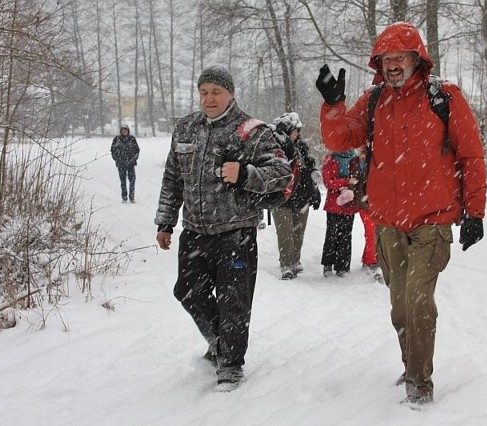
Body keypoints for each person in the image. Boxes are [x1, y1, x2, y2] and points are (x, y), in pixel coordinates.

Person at [316, 22, 487, 406]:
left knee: (417, 299)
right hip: (388, 222)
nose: (393, 65)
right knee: (399, 306)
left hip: (434, 219)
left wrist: (474, 212)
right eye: (387, 59)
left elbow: (471, 156)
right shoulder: (376, 101)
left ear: (417, 59)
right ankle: (412, 364)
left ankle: (419, 385)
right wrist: (333, 106)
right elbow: (339, 139)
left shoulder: (445, 98)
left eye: (400, 57)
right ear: (379, 64)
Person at [154, 65, 292, 391]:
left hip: (236, 232)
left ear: (230, 94)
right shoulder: (186, 128)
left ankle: (230, 363)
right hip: (195, 231)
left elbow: (282, 173)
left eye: (216, 92)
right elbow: (173, 179)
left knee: (233, 302)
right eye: (204, 92)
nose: (209, 98)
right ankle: (218, 340)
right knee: (188, 293)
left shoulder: (252, 131)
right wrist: (165, 221)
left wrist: (244, 174)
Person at [270, 112, 321, 280]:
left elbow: (308, 172)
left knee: (298, 233)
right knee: (285, 234)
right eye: (294, 130)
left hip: (301, 198)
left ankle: (295, 260)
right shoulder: (275, 148)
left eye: (298, 131)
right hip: (281, 198)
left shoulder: (303, 149)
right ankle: (286, 265)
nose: (297, 134)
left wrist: (314, 190)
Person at [320, 149, 361, 278]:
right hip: (334, 205)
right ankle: (328, 264)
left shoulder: (355, 160)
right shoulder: (330, 159)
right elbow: (328, 182)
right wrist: (345, 182)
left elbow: (358, 179)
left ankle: (342, 266)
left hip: (349, 203)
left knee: (346, 236)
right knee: (331, 234)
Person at [348, 146, 382, 282]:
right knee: (370, 232)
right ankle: (371, 260)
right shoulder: (354, 162)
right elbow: (353, 180)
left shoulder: (375, 159)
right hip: (363, 202)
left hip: (374, 201)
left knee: (374, 232)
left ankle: (369, 258)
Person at [110, 124, 140, 203]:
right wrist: (117, 159)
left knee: (132, 180)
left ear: (128, 131)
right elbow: (113, 150)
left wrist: (134, 158)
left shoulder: (132, 139)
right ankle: (124, 197)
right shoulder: (117, 139)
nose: (124, 132)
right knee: (123, 181)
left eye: (126, 130)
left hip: (131, 163)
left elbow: (137, 150)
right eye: (123, 130)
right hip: (121, 164)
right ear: (121, 131)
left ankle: (132, 197)